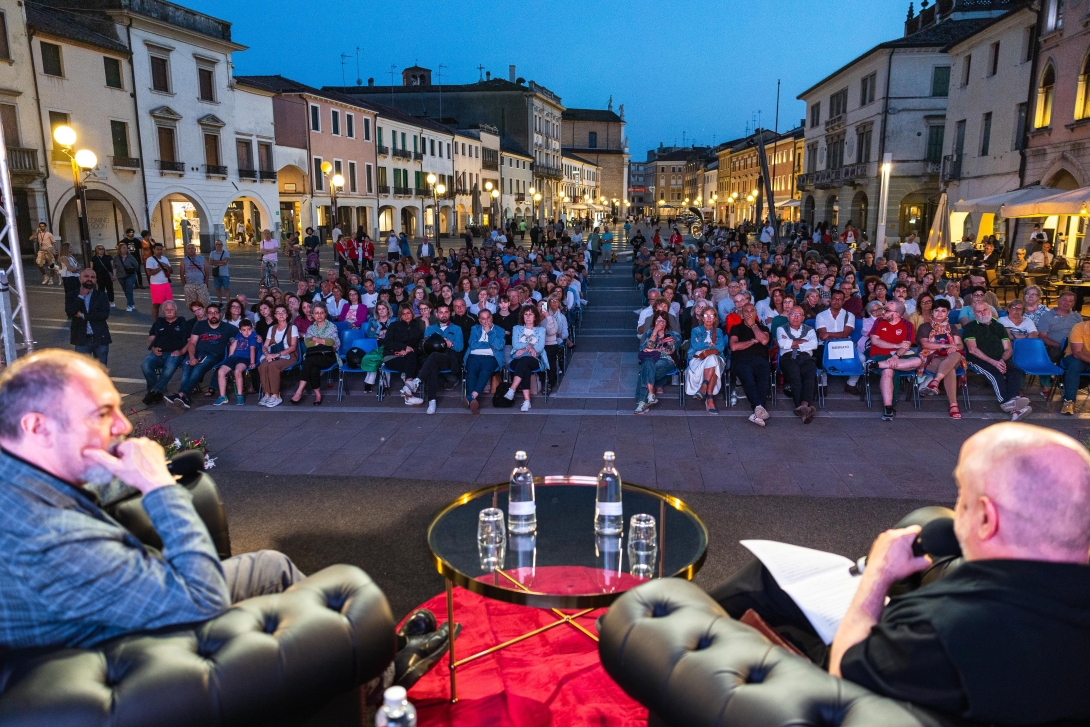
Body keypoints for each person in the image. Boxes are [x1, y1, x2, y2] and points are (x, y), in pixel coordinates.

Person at [707, 422, 1090, 725]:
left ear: (987, 517)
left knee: (766, 582)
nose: (957, 510)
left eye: (962, 495)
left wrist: (878, 573)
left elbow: (846, 671)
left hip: (873, 688)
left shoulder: (942, 624)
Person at [963, 301, 1032, 420]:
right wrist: (994, 362)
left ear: (990, 310)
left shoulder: (999, 326)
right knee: (996, 375)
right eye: (978, 312)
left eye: (985, 310)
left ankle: (1014, 404)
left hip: (1000, 359)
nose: (982, 313)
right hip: (979, 360)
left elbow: (1008, 348)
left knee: (1015, 371)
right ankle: (1006, 404)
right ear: (974, 314)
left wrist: (1001, 360)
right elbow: (972, 350)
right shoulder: (970, 327)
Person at [166, 303, 236, 409]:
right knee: (186, 365)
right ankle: (185, 397)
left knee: (198, 368)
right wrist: (192, 357)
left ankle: (181, 394)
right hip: (197, 353)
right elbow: (192, 343)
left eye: (216, 313)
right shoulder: (199, 325)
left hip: (214, 355)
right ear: (207, 314)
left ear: (220, 314)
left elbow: (243, 336)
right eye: (210, 313)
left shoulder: (229, 328)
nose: (213, 315)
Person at [402, 303, 464, 414]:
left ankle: (417, 381)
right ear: (436, 314)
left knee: (433, 358)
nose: (443, 315)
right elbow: (424, 347)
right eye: (441, 312)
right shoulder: (431, 329)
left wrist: (450, 344)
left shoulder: (457, 328)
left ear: (450, 313)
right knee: (432, 364)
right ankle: (432, 401)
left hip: (449, 358)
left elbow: (460, 348)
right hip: (432, 358)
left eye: (446, 312)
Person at [870, 300, 921, 422]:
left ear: (896, 314)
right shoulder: (879, 321)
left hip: (899, 356)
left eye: (887, 310)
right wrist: (897, 345)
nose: (883, 312)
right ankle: (888, 408)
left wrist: (896, 356)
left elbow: (906, 346)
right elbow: (875, 341)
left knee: (918, 361)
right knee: (888, 370)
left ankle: (876, 366)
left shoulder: (907, 325)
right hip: (880, 354)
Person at [915, 299, 964, 419]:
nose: (940, 313)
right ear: (932, 312)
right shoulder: (925, 326)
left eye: (943, 311)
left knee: (957, 354)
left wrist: (954, 347)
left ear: (948, 313)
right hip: (931, 358)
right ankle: (953, 405)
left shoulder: (952, 327)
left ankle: (935, 380)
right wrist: (946, 346)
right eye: (936, 310)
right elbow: (926, 345)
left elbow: (960, 345)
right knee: (950, 370)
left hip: (951, 357)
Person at [730, 303, 772, 426]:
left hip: (760, 360)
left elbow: (764, 340)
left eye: (751, 310)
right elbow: (734, 346)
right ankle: (759, 408)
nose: (749, 313)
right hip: (741, 360)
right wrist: (753, 341)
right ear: (742, 314)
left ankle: (757, 412)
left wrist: (753, 326)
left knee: (763, 380)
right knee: (749, 379)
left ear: (755, 313)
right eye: (746, 311)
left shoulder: (763, 328)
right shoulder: (736, 328)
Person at [141, 300, 188, 405]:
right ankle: (157, 392)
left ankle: (153, 392)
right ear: (163, 311)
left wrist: (181, 351)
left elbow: (190, 341)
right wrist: (153, 348)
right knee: (145, 365)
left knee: (169, 367)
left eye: (172, 309)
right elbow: (150, 338)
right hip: (158, 353)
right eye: (167, 309)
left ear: (176, 310)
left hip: (175, 353)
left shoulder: (182, 322)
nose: (169, 311)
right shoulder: (158, 323)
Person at [776, 307, 818, 423]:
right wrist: (804, 342)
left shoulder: (809, 330)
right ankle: (805, 407)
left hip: (806, 357)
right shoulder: (781, 329)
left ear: (803, 318)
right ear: (788, 316)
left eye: (799, 315)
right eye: (793, 314)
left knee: (809, 377)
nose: (796, 317)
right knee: (796, 377)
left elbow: (814, 344)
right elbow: (782, 343)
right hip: (788, 357)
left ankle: (803, 406)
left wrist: (792, 343)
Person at [289, 304, 337, 405]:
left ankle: (299, 391)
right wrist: (323, 341)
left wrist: (314, 339)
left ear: (325, 314)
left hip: (328, 356)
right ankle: (318, 395)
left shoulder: (332, 326)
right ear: (313, 315)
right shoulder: (310, 328)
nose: (319, 315)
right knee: (313, 368)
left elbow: (331, 342)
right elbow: (307, 343)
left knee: (308, 361)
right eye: (316, 313)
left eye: (321, 313)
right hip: (314, 356)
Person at [503, 306, 548, 412]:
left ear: (535, 317)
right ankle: (527, 401)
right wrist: (529, 346)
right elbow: (515, 344)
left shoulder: (541, 330)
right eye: (526, 314)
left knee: (525, 361)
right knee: (525, 368)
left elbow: (540, 348)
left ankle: (512, 389)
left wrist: (524, 348)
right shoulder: (517, 328)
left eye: (530, 314)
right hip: (517, 358)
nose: (528, 317)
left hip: (534, 360)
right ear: (522, 316)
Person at [635, 311, 679, 415]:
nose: (660, 323)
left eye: (663, 320)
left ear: (666, 322)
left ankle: (642, 401)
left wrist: (656, 350)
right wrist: (655, 332)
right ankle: (649, 396)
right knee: (648, 363)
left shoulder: (672, 334)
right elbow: (644, 348)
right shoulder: (650, 332)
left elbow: (671, 349)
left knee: (644, 371)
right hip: (651, 361)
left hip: (667, 361)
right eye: (658, 320)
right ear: (654, 322)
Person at [65, 268, 112, 365]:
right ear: (80, 278)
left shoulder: (101, 295)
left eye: (93, 277)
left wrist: (83, 316)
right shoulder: (72, 295)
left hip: (100, 337)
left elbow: (104, 315)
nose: (89, 279)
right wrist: (81, 296)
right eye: (86, 276)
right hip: (81, 338)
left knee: (101, 369)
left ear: (95, 280)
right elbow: (70, 311)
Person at [463, 309, 505, 414]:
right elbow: (472, 344)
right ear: (479, 320)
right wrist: (489, 345)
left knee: (485, 372)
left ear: (492, 318)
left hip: (490, 357)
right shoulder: (475, 328)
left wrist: (489, 333)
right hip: (474, 355)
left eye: (488, 318)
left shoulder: (499, 330)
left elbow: (499, 346)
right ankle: (473, 400)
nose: (486, 321)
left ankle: (471, 397)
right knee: (471, 373)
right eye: (483, 319)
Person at [257, 305, 299, 408]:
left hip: (288, 355)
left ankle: (276, 395)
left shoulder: (292, 328)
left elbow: (293, 347)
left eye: (283, 312)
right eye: (278, 312)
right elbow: (265, 346)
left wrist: (277, 354)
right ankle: (267, 394)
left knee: (273, 366)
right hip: (272, 355)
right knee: (262, 366)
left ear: (287, 314)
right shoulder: (272, 328)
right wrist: (267, 354)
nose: (281, 314)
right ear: (275, 315)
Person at [687, 307, 726, 414]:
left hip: (717, 357)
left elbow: (721, 347)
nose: (709, 318)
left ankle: (704, 386)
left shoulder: (718, 331)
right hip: (699, 358)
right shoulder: (695, 330)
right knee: (713, 363)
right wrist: (710, 345)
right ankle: (709, 399)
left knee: (713, 359)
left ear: (715, 319)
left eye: (711, 315)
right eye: (706, 315)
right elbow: (695, 346)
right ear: (702, 318)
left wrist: (703, 345)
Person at [213, 319, 258, 406]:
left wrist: (252, 362)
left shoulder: (253, 336)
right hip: (234, 357)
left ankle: (239, 395)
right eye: (244, 330)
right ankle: (223, 396)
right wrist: (230, 358)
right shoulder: (238, 335)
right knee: (221, 371)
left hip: (245, 358)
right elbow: (233, 346)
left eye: (249, 329)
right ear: (240, 330)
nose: (247, 332)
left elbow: (252, 349)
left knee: (237, 371)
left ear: (252, 329)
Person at [382, 304, 423, 396]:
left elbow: (420, 348)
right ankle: (410, 385)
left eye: (408, 313)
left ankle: (407, 386)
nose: (406, 315)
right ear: (400, 316)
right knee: (413, 364)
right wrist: (403, 348)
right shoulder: (394, 326)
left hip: (410, 357)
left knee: (412, 357)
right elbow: (387, 342)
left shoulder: (417, 329)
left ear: (412, 314)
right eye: (403, 314)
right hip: (392, 356)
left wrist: (409, 350)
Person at [1059, 317, 1090, 415]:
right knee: (1075, 362)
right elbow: (1077, 353)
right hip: (1073, 359)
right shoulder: (1079, 327)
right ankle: (1068, 401)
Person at [145, 242, 173, 320]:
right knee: (156, 304)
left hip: (166, 284)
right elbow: (149, 273)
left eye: (161, 249)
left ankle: (169, 319)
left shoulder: (165, 258)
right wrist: (160, 267)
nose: (159, 251)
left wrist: (167, 266)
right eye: (157, 249)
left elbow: (171, 271)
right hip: (156, 285)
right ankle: (155, 321)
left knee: (169, 304)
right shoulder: (150, 260)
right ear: (153, 250)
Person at [180, 243, 210, 308]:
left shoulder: (202, 258)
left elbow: (207, 271)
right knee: (192, 305)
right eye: (189, 248)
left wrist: (205, 283)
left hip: (201, 284)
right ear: (186, 250)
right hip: (189, 285)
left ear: (195, 249)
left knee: (204, 303)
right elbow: (182, 273)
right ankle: (196, 316)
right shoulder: (184, 260)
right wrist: (185, 285)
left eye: (192, 248)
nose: (191, 250)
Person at [113, 241, 139, 312]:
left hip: (130, 275)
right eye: (123, 248)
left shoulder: (130, 257)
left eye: (126, 248)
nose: (125, 249)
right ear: (119, 249)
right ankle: (132, 303)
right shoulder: (116, 258)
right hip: (120, 276)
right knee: (125, 290)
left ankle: (129, 305)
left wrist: (132, 270)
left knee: (129, 290)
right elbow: (114, 267)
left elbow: (136, 265)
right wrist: (114, 275)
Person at [209, 239, 231, 306]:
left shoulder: (226, 253)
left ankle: (228, 303)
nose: (219, 246)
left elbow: (225, 262)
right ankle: (220, 302)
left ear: (222, 245)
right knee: (218, 289)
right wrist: (221, 262)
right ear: (215, 245)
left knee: (226, 289)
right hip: (216, 274)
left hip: (225, 274)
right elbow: (210, 262)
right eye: (217, 244)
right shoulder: (212, 253)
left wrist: (215, 262)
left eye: (220, 244)